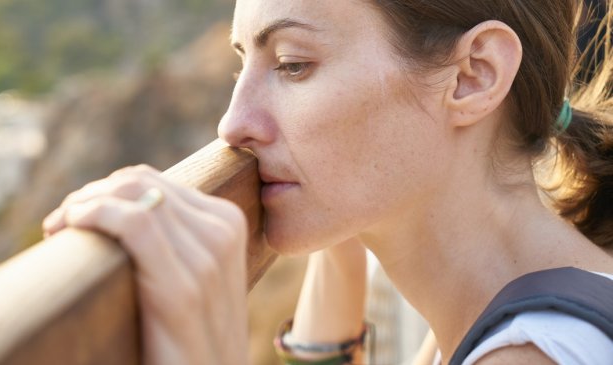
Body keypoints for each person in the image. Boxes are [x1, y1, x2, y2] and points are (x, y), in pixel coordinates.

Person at [42, 0, 613, 364]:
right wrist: (337, 245)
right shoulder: (499, 309)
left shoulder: (531, 355)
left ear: (472, 76)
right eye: (243, 65)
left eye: (292, 64)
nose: (231, 124)